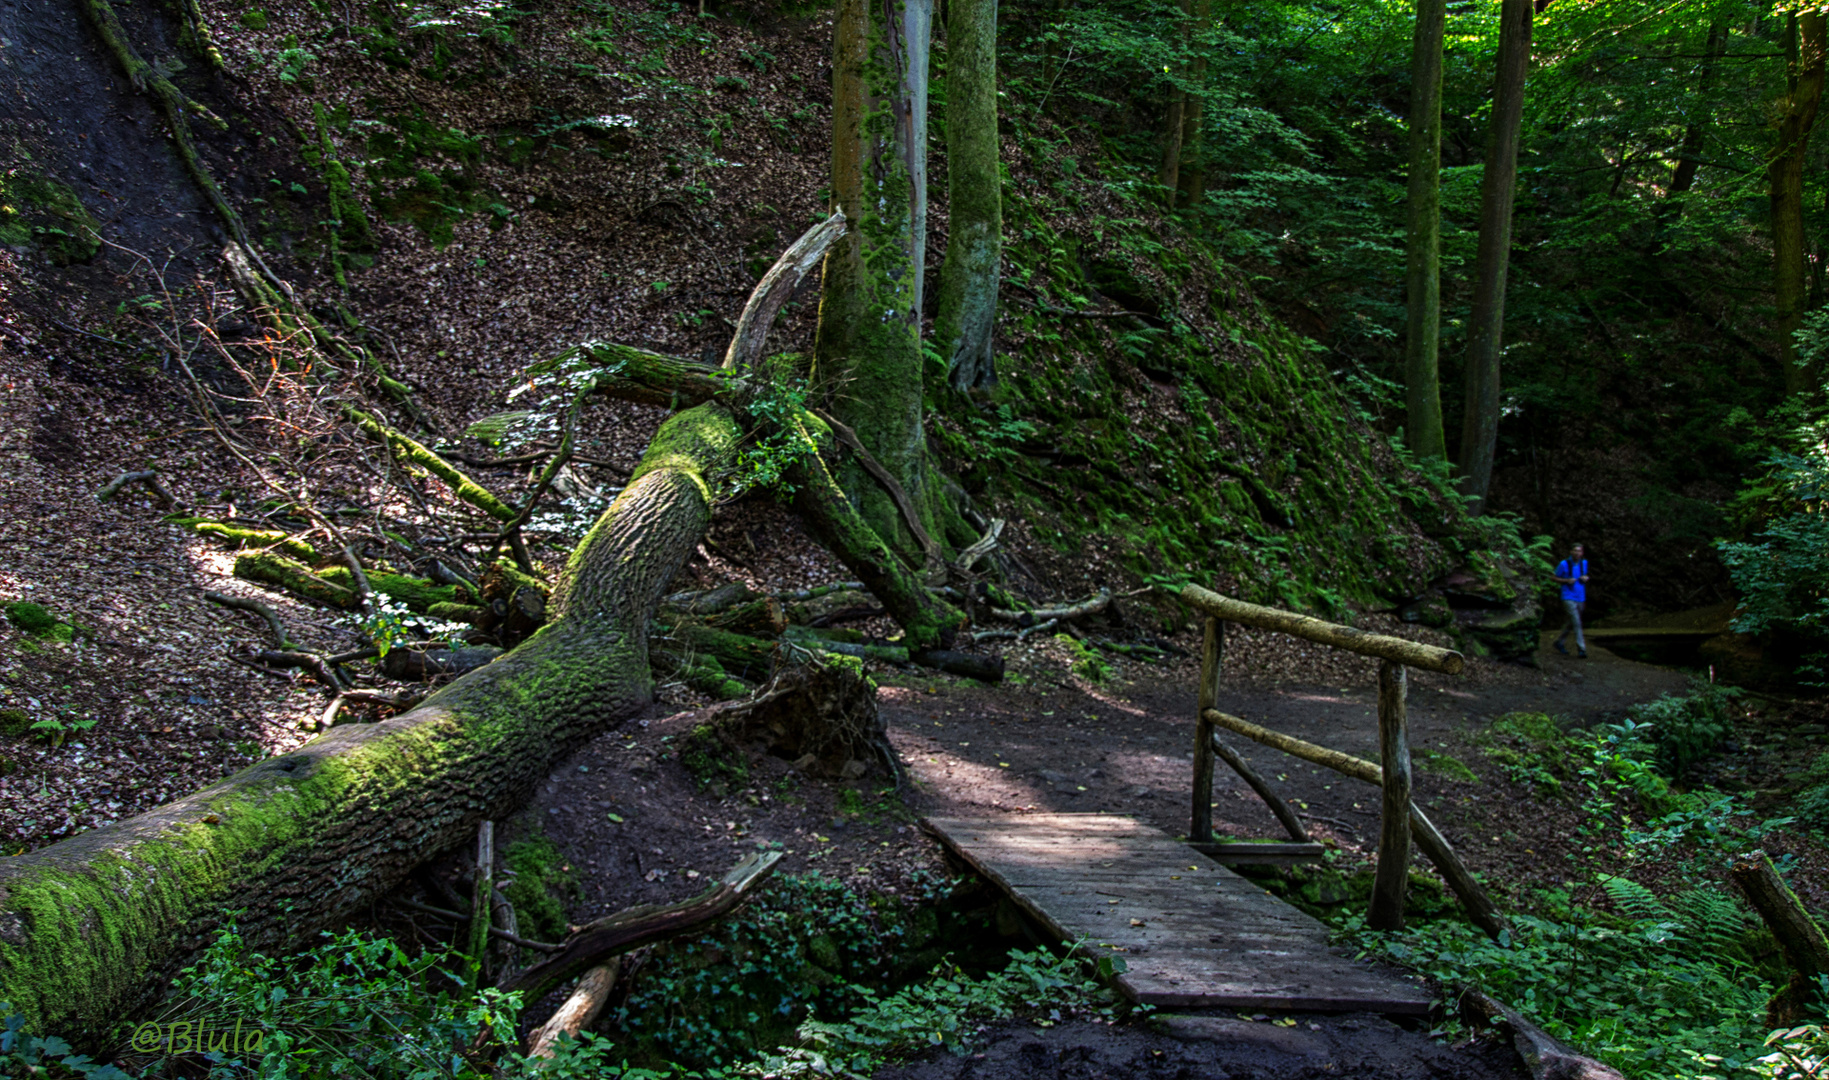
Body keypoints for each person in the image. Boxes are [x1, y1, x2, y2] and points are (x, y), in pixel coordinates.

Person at [1552, 543, 1589, 658]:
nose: (1577, 553)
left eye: (1579, 551)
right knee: (1577, 622)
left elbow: (1585, 575)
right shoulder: (1564, 564)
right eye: (1575, 551)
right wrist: (1566, 581)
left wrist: (1586, 578)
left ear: (1582, 553)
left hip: (1580, 597)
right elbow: (1553, 577)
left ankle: (1559, 642)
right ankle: (1581, 649)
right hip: (1568, 596)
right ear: (1571, 552)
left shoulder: (1584, 563)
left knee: (1571, 622)